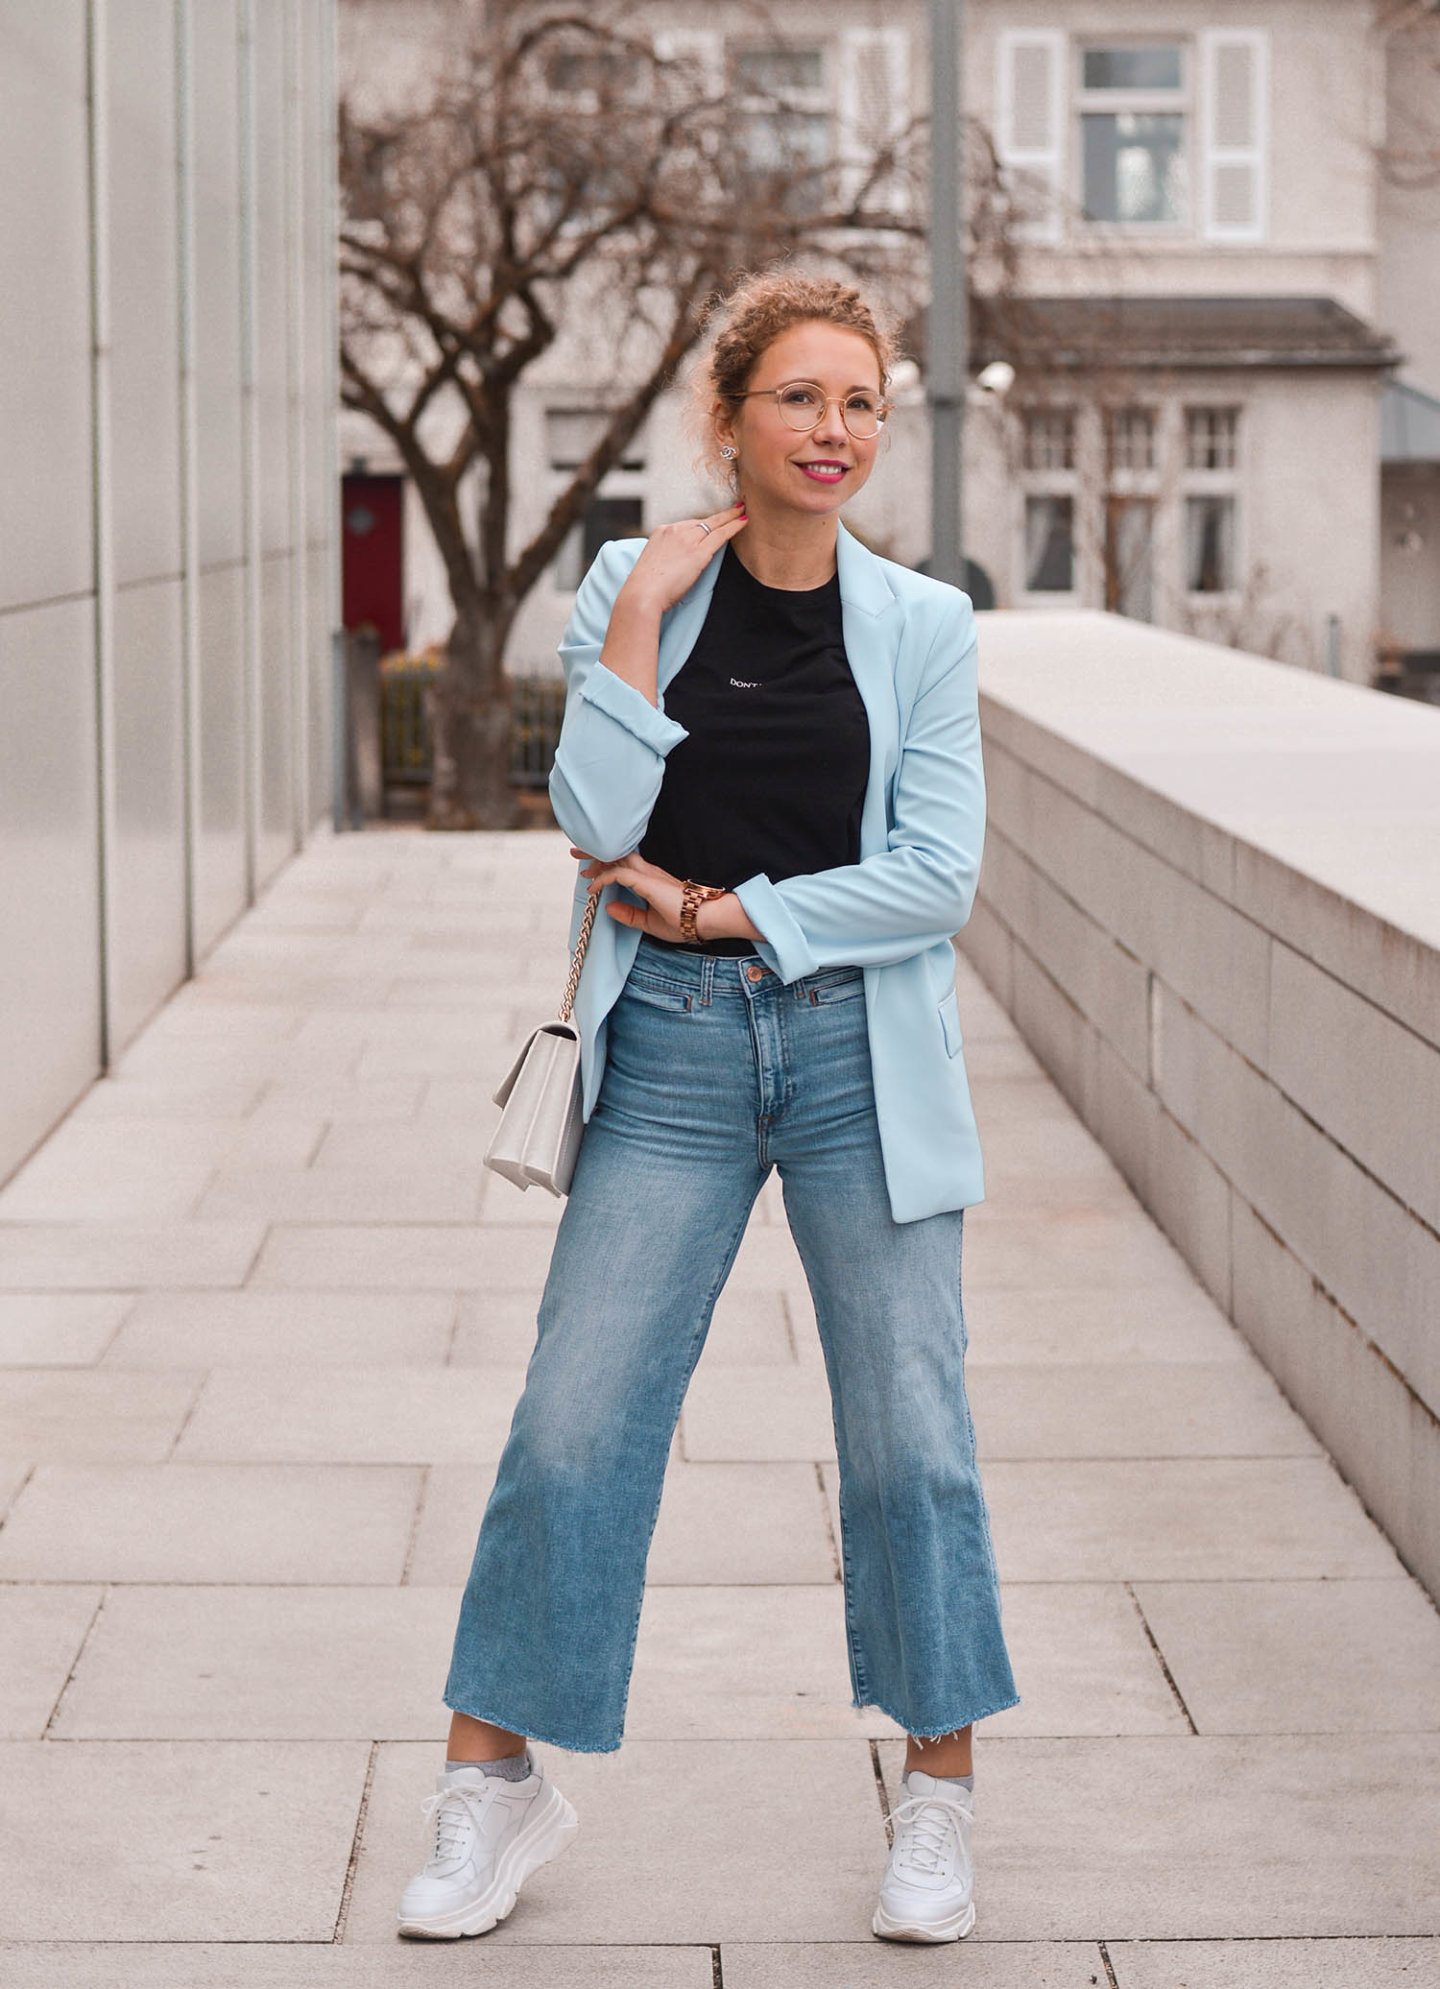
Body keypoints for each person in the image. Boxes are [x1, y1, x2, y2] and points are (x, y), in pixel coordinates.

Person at [396, 269, 1019, 1946]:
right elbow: (589, 816)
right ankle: (493, 1784)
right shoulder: (637, 583)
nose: (835, 430)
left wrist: (733, 910)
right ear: (730, 418)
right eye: (801, 398)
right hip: (663, 1059)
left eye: (862, 402)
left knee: (910, 1437)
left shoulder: (924, 623)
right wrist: (623, 631)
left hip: (853, 1058)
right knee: (573, 1421)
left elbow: (935, 879)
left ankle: (938, 1802)